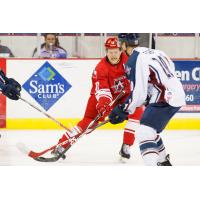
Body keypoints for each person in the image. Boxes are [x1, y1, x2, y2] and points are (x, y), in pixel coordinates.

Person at [52, 37, 144, 160]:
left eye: (116, 52)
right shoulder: (100, 68)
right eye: (110, 52)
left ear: (120, 51)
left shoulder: (129, 62)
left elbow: (136, 81)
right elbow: (103, 90)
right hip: (100, 98)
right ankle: (62, 145)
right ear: (106, 52)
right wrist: (104, 105)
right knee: (89, 122)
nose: (113, 55)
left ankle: (126, 145)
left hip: (123, 96)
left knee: (137, 111)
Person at [109, 34, 186, 166]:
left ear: (124, 45)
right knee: (149, 130)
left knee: (143, 132)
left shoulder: (134, 59)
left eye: (120, 44)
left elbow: (138, 92)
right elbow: (170, 68)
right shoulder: (155, 52)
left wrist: (123, 109)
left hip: (164, 98)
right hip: (176, 94)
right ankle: (163, 162)